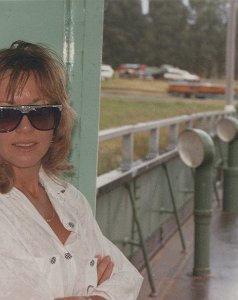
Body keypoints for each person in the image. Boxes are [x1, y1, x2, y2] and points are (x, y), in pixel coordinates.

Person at [0, 41, 142, 299]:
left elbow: (127, 276)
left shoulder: (69, 198)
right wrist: (89, 285)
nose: (25, 128)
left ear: (57, 120)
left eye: (40, 112)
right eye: (6, 115)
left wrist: (95, 296)